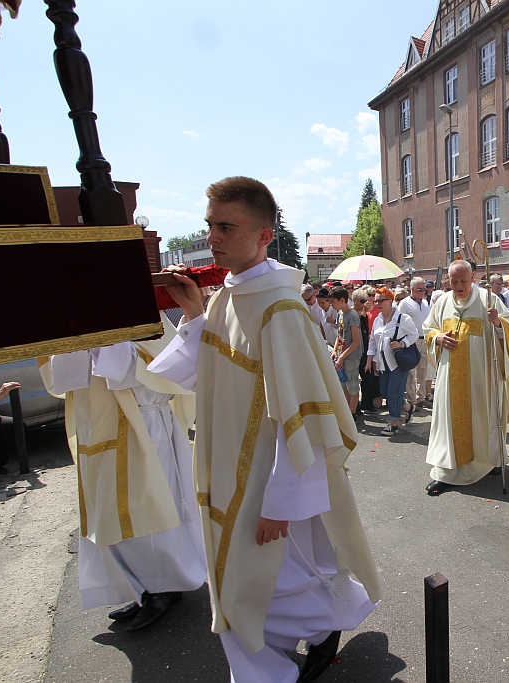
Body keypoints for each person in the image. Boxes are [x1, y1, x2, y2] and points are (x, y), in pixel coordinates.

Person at [149, 176, 380, 683]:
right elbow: (207, 375)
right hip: (228, 471)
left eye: (226, 226)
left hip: (265, 483)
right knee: (252, 585)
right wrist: (193, 312)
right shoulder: (225, 298)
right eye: (210, 225)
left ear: (262, 233)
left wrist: (282, 503)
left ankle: (288, 657)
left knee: (258, 588)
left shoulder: (280, 308)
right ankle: (317, 634)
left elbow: (302, 415)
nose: (213, 237)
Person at [40, 333, 206, 633]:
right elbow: (58, 380)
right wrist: (81, 345)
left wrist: (106, 344)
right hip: (97, 428)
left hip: (143, 426)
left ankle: (165, 587)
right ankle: (143, 587)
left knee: (150, 511)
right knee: (112, 515)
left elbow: (160, 370)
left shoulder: (141, 316)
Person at [423, 260, 509, 496]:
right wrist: (437, 338)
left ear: (473, 277)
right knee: (448, 424)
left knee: (482, 418)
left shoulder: (488, 299)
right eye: (454, 282)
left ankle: (490, 460)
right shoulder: (443, 301)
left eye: (463, 280)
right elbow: (428, 328)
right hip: (449, 377)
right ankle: (447, 473)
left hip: (480, 379)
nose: (459, 286)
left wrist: (497, 322)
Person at [368, 288, 418, 436]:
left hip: (398, 362)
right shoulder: (377, 320)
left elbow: (414, 334)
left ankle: (394, 422)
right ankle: (408, 408)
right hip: (383, 363)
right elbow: (372, 341)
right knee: (384, 392)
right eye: (376, 300)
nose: (378, 303)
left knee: (392, 392)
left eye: (381, 300)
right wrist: (370, 359)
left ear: (390, 301)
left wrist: (402, 344)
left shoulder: (403, 319)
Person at [397, 277, 432, 410]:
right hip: (411, 340)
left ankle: (421, 397)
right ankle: (411, 400)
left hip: (424, 339)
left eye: (425, 289)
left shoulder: (425, 303)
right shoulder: (405, 304)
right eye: (420, 289)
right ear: (412, 290)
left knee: (422, 370)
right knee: (411, 372)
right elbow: (399, 322)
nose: (423, 292)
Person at [330, 287, 363, 420]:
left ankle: (352, 413)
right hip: (341, 356)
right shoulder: (340, 314)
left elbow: (356, 342)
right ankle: (347, 411)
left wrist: (342, 357)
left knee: (352, 385)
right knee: (343, 384)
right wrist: (334, 350)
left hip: (351, 357)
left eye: (333, 301)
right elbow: (340, 335)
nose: (331, 304)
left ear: (342, 300)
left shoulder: (352, 315)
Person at [352, 289, 381, 413]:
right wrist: (364, 312)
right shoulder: (352, 312)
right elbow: (357, 326)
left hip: (366, 348)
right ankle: (355, 407)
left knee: (367, 378)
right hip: (356, 350)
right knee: (355, 380)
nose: (366, 302)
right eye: (363, 300)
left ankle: (366, 403)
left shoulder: (366, 312)